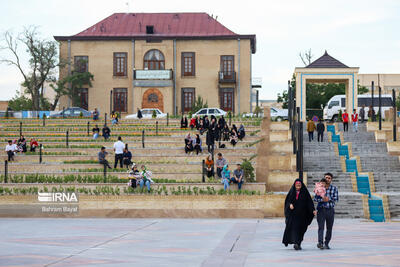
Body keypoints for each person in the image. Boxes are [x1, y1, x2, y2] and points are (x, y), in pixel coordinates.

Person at [282, 179, 316, 250]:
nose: (298, 186)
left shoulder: (305, 193)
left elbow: (309, 202)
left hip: (303, 216)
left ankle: (298, 243)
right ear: (294, 185)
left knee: (302, 230)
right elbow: (287, 201)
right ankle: (296, 243)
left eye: (299, 185)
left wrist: (312, 210)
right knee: (294, 229)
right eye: (297, 185)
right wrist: (290, 205)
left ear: (301, 185)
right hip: (294, 216)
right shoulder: (292, 192)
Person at [314, 173, 338, 250]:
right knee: (321, 227)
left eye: (329, 178)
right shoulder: (319, 188)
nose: (327, 179)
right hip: (321, 210)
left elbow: (336, 198)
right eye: (326, 178)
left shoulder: (334, 188)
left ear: (331, 180)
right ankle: (320, 243)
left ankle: (326, 243)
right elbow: (315, 199)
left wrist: (329, 199)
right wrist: (322, 199)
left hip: (330, 210)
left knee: (329, 228)